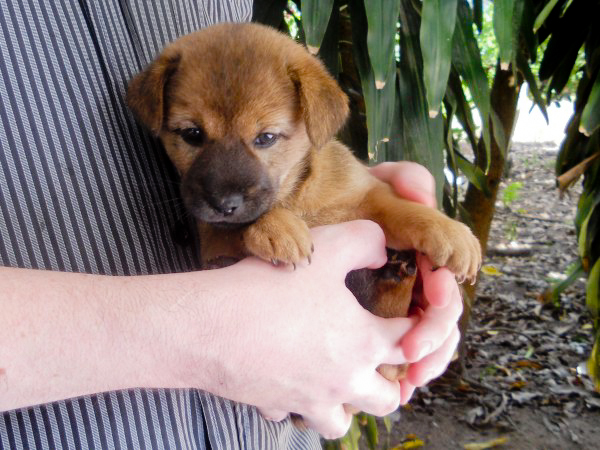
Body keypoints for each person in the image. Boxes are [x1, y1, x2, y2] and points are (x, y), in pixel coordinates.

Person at [0, 0, 462, 448]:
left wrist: (415, 225)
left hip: (276, 433)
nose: (226, 191)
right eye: (193, 136)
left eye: (265, 137)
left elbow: (368, 199)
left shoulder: (249, 64)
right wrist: (211, 332)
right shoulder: (165, 81)